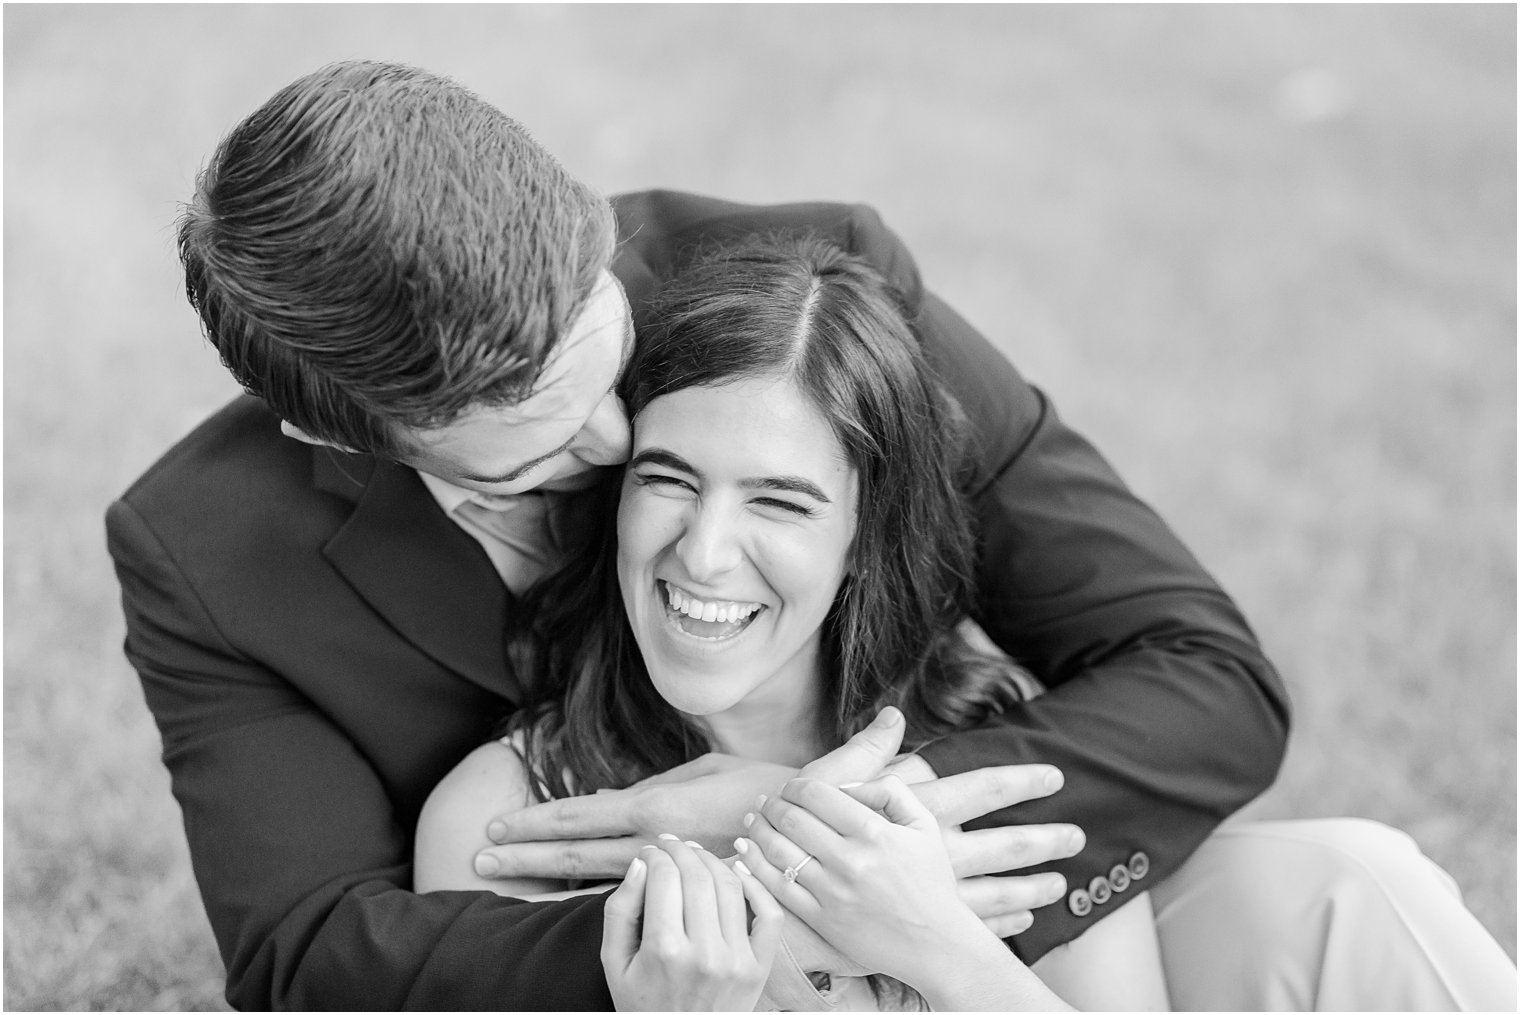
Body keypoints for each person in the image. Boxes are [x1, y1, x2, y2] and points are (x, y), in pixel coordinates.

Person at [106, 59, 1514, 1011]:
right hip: (616, 959)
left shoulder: (804, 293)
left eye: (613, 365)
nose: (614, 447)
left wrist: (818, 830)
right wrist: (716, 915)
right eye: (543, 439)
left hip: (955, 882)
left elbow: (1202, 673)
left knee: (1354, 885)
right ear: (348, 437)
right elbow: (312, 954)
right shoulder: (210, 549)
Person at [415, 234, 1170, 1011]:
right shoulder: (503, 822)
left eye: (777, 501)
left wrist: (935, 942)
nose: (704, 555)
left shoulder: (999, 761)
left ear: (866, 535)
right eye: (668, 479)